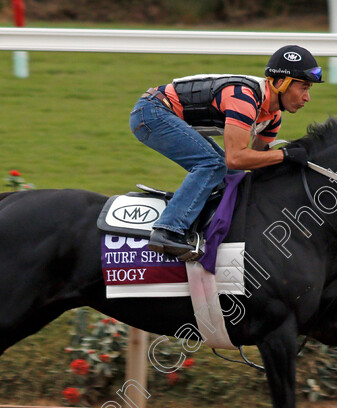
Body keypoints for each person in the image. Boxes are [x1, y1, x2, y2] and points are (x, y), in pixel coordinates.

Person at [129, 44, 322, 258]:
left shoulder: (273, 117)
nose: (307, 98)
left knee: (235, 178)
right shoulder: (244, 98)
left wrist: (290, 166)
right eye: (303, 88)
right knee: (213, 164)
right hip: (151, 112)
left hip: (170, 115)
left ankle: (208, 227)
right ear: (280, 83)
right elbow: (236, 158)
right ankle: (168, 230)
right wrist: (285, 155)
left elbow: (257, 165)